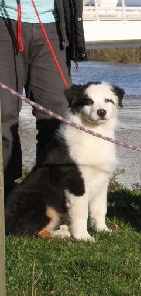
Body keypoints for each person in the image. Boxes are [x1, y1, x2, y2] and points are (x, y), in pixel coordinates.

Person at [0, 0, 87, 202]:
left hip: (53, 24)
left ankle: (49, 198)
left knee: (57, 118)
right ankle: (5, 192)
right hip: (3, 22)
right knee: (3, 116)